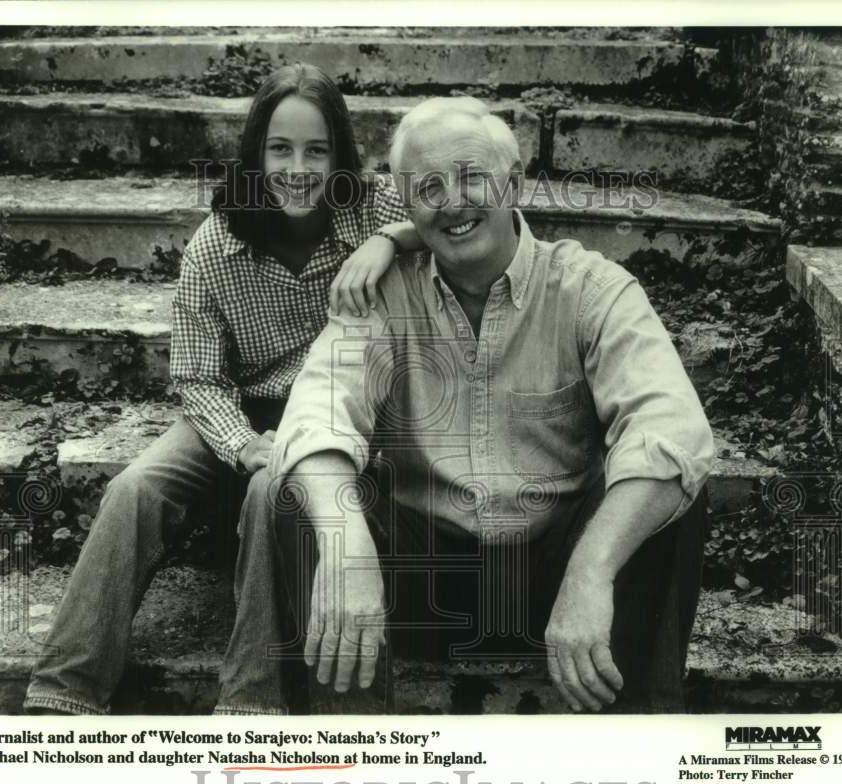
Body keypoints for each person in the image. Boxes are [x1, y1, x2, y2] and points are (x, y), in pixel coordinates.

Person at [264, 97, 715, 714]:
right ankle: (355, 747)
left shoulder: (592, 289)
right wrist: (347, 547)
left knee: (668, 488)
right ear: (407, 207)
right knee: (303, 493)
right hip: (421, 586)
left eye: (472, 176)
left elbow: (671, 428)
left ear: (514, 182)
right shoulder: (383, 296)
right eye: (428, 187)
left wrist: (590, 570)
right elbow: (318, 409)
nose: (453, 202)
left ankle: (637, 740)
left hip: (556, 578)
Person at [23, 63, 420, 715]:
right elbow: (199, 378)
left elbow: (456, 221)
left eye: (317, 151)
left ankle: (249, 702)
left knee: (273, 489)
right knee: (135, 488)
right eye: (280, 149)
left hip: (338, 412)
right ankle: (63, 691)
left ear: (342, 156)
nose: (298, 168)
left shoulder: (374, 207)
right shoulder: (216, 245)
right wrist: (241, 442)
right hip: (238, 408)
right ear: (255, 153)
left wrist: (386, 239)